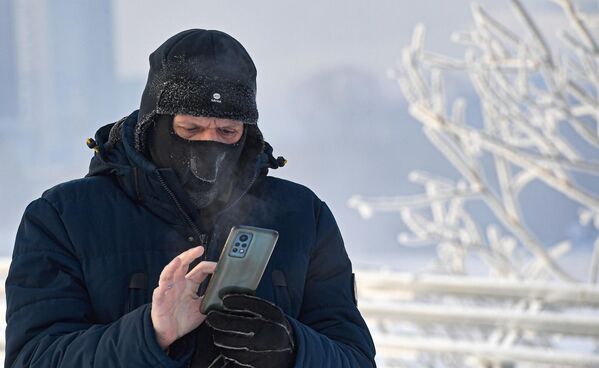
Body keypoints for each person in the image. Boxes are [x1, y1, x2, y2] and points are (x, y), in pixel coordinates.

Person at [5, 29, 376, 367]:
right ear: (154, 123)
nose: (207, 149)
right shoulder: (62, 217)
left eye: (227, 131)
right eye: (190, 128)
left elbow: (354, 357)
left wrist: (295, 348)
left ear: (247, 132)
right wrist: (151, 334)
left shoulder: (302, 215)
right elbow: (34, 358)